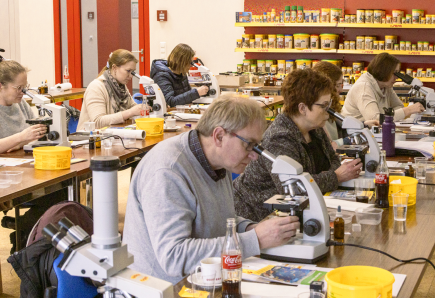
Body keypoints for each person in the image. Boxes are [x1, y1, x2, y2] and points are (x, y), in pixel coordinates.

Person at [123, 96, 299, 283]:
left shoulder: (217, 162)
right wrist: (255, 240)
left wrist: (250, 228)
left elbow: (217, 218)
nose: (255, 156)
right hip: (164, 288)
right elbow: (174, 257)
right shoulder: (168, 171)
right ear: (219, 136)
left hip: (203, 277)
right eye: (249, 144)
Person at [234, 69, 363, 222]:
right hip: (257, 216)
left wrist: (330, 175)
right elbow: (295, 189)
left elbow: (333, 161)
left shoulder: (315, 128)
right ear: (302, 108)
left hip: (298, 209)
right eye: (324, 106)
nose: (328, 112)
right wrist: (336, 177)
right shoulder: (279, 137)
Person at [312, 61, 379, 149]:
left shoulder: (330, 109)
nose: (341, 89)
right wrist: (349, 140)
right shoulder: (317, 114)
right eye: (338, 85)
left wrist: (364, 125)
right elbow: (329, 145)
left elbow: (341, 127)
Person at [341, 52, 424, 122]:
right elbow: (375, 120)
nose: (397, 77)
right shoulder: (364, 87)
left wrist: (385, 115)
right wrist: (409, 110)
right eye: (395, 73)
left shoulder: (385, 85)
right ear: (384, 72)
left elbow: (399, 107)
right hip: (354, 135)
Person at [77, 50, 144, 130]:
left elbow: (133, 107)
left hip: (112, 135)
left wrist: (143, 108)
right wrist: (130, 112)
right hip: (91, 139)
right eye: (128, 71)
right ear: (114, 68)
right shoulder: (96, 87)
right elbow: (98, 122)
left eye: (132, 72)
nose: (131, 76)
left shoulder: (121, 86)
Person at [0, 60, 48, 153]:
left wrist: (20, 144)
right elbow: (25, 136)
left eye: (25, 87)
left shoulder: (21, 103)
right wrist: (21, 137)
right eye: (18, 88)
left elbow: (35, 135)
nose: (23, 92)